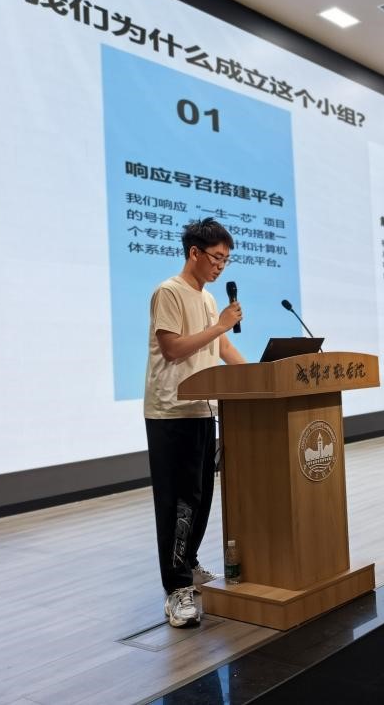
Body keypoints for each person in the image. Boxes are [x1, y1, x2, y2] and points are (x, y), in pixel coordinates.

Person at [143, 217, 246, 627]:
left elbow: (222, 347)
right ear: (194, 253)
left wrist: (261, 376)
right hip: (172, 411)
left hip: (204, 410)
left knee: (199, 498)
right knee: (178, 503)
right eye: (216, 258)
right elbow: (172, 349)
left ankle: (188, 564)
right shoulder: (169, 291)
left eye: (226, 260)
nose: (220, 266)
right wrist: (219, 325)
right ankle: (176, 589)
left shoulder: (207, 299)